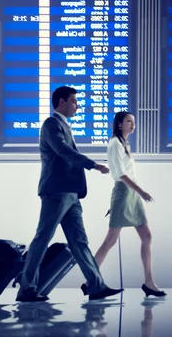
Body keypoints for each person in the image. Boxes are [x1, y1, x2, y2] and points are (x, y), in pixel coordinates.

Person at [16, 86, 124, 302]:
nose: (77, 106)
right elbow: (62, 150)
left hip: (71, 194)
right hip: (56, 191)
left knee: (79, 241)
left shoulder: (63, 125)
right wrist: (92, 165)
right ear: (62, 102)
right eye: (74, 101)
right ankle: (27, 288)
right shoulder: (51, 124)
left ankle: (96, 286)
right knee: (43, 238)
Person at [81, 111, 165, 298]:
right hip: (125, 192)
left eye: (133, 122)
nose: (132, 125)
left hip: (130, 194)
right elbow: (120, 174)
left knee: (147, 236)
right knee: (110, 241)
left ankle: (149, 282)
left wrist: (135, 193)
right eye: (128, 121)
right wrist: (141, 191)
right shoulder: (114, 144)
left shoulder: (123, 143)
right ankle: (90, 281)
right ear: (119, 124)